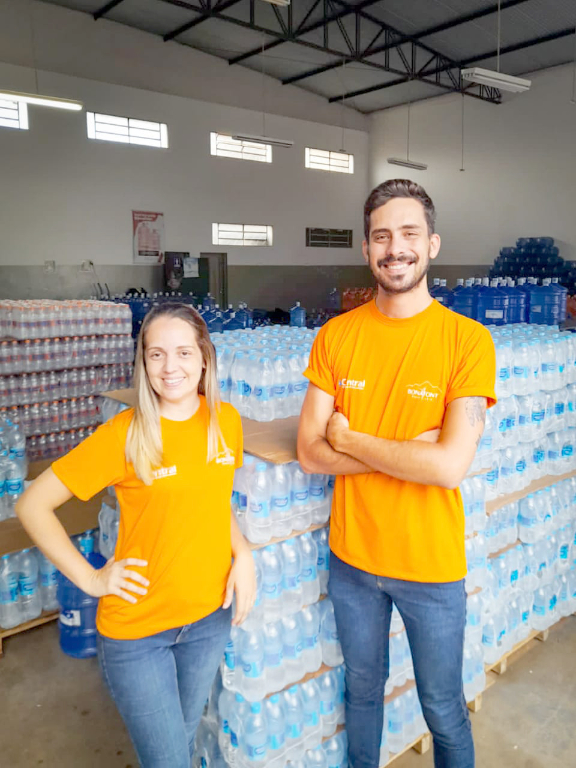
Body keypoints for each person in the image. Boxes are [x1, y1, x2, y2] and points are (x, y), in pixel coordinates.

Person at [297, 179, 496, 768]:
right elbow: (310, 451)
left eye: (409, 233)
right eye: (382, 236)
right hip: (353, 561)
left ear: (432, 243)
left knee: (443, 708)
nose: (395, 248)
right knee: (361, 694)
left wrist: (351, 438)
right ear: (366, 249)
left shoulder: (467, 342)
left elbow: (448, 466)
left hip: (431, 568)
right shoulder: (336, 336)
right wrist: (408, 450)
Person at [16, 303, 256, 768]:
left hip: (208, 620)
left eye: (184, 353)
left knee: (181, 746)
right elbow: (32, 504)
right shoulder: (125, 434)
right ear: (142, 362)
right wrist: (92, 581)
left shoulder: (225, 421)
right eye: (157, 354)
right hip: (139, 632)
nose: (171, 368)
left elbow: (211, 500)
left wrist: (242, 553)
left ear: (205, 357)